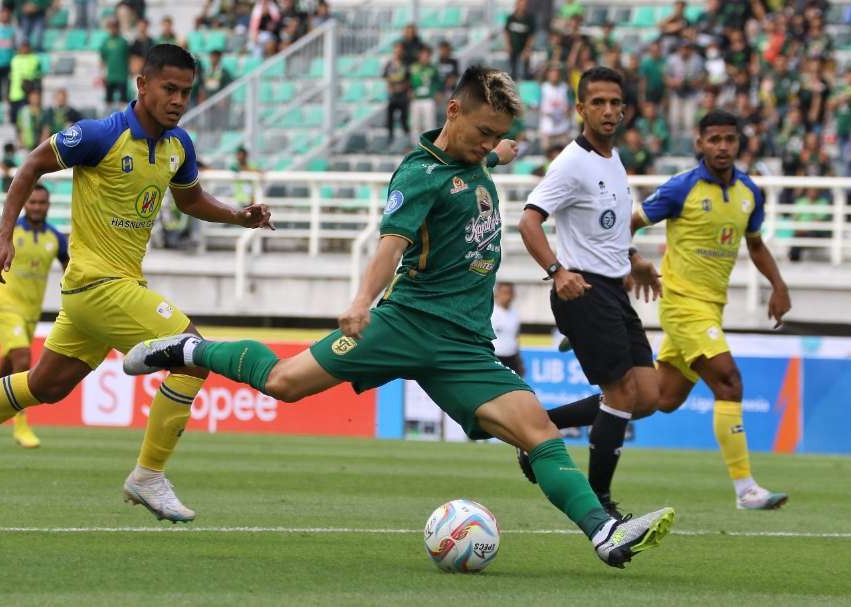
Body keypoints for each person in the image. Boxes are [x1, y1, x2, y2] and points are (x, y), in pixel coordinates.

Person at [124, 65, 675, 567]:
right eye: (481, 133)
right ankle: (184, 349)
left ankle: (605, 534)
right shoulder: (418, 175)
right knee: (283, 382)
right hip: (406, 323)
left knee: (538, 433)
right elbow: (390, 245)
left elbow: (493, 151)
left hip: (464, 347)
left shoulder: (475, 151)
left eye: (493, 136)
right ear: (452, 112)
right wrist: (362, 302)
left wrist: (500, 148)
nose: (486, 145)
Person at [0, 45, 273, 523]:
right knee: (192, 356)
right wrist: (4, 234)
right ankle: (148, 475)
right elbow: (32, 165)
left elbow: (190, 201)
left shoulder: (178, 145)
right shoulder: (101, 135)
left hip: (107, 292)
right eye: (169, 89)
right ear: (142, 85)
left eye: (186, 92)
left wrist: (237, 216)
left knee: (46, 385)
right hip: (98, 285)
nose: (178, 100)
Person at [630, 110, 791, 510]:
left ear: (739, 144)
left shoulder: (749, 193)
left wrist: (778, 284)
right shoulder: (680, 189)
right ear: (699, 143)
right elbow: (627, 224)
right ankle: (746, 490)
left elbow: (754, 244)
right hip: (682, 306)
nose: (722, 147)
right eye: (714, 139)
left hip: (711, 310)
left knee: (660, 399)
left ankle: (557, 422)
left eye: (729, 140)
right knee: (729, 382)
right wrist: (632, 262)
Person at [518, 67, 661, 517]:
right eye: (597, 102)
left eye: (615, 103)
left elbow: (612, 229)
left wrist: (634, 258)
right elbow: (528, 220)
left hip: (613, 287)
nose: (608, 110)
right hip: (582, 288)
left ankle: (540, 429)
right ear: (580, 109)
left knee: (648, 397)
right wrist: (557, 270)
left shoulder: (614, 160)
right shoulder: (571, 163)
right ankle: (599, 504)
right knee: (620, 395)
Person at [0, 184, 67, 449]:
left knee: (4, 371)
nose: (36, 207)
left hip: (30, 313)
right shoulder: (10, 231)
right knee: (23, 359)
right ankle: (21, 426)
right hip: (5, 306)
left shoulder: (56, 238)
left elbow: (70, 266)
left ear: (48, 205)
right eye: (32, 202)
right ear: (25, 203)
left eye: (41, 203)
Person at [490, 282, 524, 376]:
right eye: (504, 292)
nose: (507, 296)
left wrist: (519, 361)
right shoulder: (491, 312)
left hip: (512, 358)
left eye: (509, 293)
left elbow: (516, 337)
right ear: (497, 293)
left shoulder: (515, 314)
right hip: (495, 357)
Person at [409, 45, 438, 143]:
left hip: (428, 99)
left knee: (429, 124)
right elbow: (408, 81)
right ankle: (415, 146)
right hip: (416, 99)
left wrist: (435, 93)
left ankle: (429, 146)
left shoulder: (433, 68)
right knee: (415, 124)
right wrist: (409, 90)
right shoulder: (413, 67)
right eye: (423, 55)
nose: (424, 57)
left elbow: (438, 82)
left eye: (427, 55)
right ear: (419, 55)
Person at [383, 42, 410, 143]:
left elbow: (409, 79)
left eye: (399, 49)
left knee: (404, 118)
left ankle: (407, 140)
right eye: (396, 49)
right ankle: (390, 138)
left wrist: (402, 87)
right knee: (390, 117)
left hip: (403, 95)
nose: (398, 51)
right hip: (393, 95)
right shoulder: (389, 64)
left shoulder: (405, 64)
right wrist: (392, 87)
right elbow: (386, 77)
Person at [101, 18, 130, 107]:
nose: (112, 29)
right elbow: (102, 59)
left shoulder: (123, 42)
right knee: (108, 102)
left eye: (114, 27)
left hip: (122, 76)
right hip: (110, 77)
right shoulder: (105, 42)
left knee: (123, 101)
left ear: (118, 28)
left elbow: (129, 58)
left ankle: (124, 119)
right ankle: (108, 119)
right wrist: (102, 74)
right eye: (111, 27)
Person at [504, 0, 535, 81]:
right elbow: (506, 32)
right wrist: (508, 45)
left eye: (524, 5)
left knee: (526, 73)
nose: (522, 7)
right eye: (520, 4)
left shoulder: (529, 19)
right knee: (513, 71)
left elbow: (531, 35)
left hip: (524, 48)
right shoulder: (511, 18)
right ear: (516, 5)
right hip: (513, 48)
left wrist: (527, 49)